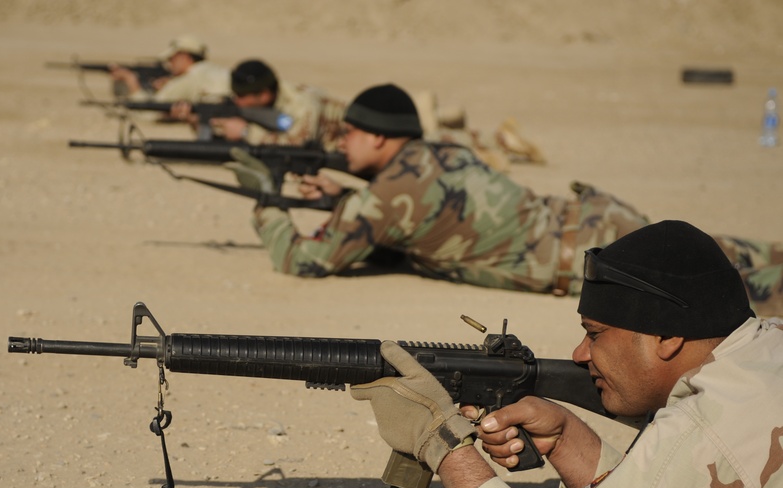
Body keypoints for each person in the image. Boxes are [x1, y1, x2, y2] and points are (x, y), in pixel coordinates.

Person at [348, 219, 783, 488]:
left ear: (667, 337)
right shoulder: (764, 353)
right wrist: (567, 441)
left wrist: (442, 441)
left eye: (594, 334)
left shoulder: (710, 429)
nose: (579, 353)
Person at [229, 83, 783, 317]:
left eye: (348, 132)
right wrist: (341, 199)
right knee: (730, 250)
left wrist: (264, 197)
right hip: (594, 218)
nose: (339, 142)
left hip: (591, 258)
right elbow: (422, 213)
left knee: (740, 291)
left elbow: (302, 260)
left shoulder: (385, 198)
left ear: (377, 137)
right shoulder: (435, 153)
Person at [219, 60, 543, 170]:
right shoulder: (285, 96)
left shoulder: (303, 103)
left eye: (243, 98)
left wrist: (245, 133)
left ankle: (491, 148)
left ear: (262, 94)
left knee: (429, 142)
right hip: (365, 134)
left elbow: (298, 140)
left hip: (374, 132)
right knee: (433, 133)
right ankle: (496, 137)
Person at [109, 34, 230, 104]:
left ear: (184, 56)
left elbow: (150, 113)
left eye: (172, 58)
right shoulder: (215, 70)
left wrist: (131, 82)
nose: (169, 63)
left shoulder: (188, 80)